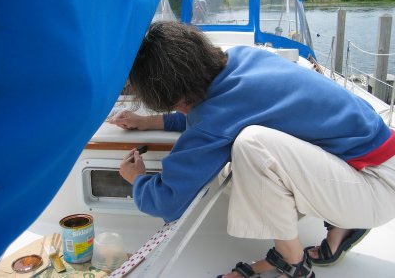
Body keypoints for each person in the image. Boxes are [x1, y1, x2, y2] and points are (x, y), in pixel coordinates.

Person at [110, 21, 395, 278]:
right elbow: (216, 113)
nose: (179, 111)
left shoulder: (215, 116)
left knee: (251, 145)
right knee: (255, 142)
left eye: (173, 105)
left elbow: (168, 201)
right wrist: (149, 121)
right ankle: (343, 223)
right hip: (374, 160)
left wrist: (137, 179)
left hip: (376, 187)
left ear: (178, 98)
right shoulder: (244, 59)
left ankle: (292, 263)